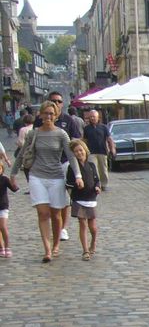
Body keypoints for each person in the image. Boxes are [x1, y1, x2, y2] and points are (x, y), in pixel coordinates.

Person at [9, 100, 82, 262]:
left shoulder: (61, 134)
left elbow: (70, 155)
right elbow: (22, 154)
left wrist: (78, 175)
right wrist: (13, 174)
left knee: (56, 214)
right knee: (43, 213)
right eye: (46, 113)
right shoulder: (33, 134)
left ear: (55, 116)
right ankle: (47, 249)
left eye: (51, 113)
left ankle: (56, 244)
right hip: (37, 176)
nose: (48, 116)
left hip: (56, 176)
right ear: (40, 115)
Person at [66, 139, 101, 260]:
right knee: (82, 223)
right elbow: (68, 183)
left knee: (93, 227)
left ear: (85, 150)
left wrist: (97, 187)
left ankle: (93, 242)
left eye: (80, 150)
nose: (79, 153)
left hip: (91, 197)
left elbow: (97, 179)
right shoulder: (72, 167)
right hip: (78, 198)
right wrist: (76, 184)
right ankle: (85, 250)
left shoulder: (91, 165)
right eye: (76, 151)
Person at [82, 109, 116, 191]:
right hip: (91, 152)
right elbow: (85, 141)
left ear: (98, 117)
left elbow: (109, 139)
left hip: (102, 151)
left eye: (94, 116)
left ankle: (104, 184)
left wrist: (112, 149)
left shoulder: (103, 127)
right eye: (90, 117)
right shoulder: (86, 128)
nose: (92, 118)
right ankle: (96, 184)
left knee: (103, 169)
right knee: (93, 169)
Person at [0, 160, 17, 257]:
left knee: (3, 226)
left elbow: (14, 189)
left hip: (3, 205)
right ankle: (1, 247)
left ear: (2, 169)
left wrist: (13, 182)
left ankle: (7, 246)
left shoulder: (4, 179)